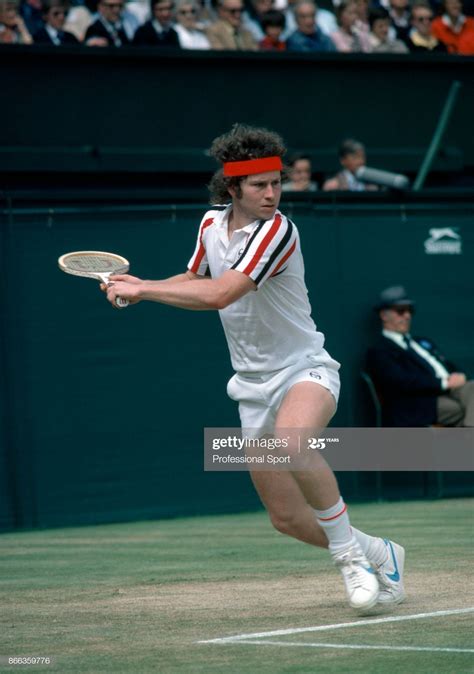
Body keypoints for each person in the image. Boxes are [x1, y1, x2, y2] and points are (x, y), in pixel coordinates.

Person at [103, 124, 406, 613]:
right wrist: (143, 284)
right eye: (260, 185)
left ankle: (351, 560)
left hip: (305, 369)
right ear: (232, 188)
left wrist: (143, 291)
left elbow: (222, 293)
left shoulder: (279, 230)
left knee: (293, 444)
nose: (272, 193)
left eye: (276, 182)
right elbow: (197, 281)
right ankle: (378, 550)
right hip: (251, 385)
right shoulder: (209, 225)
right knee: (285, 518)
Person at [367, 285, 474, 427]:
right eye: (400, 311)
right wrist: (443, 383)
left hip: (452, 389)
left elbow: (446, 363)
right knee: (459, 409)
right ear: (384, 315)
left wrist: (460, 376)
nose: (407, 315)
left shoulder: (421, 342)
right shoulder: (380, 350)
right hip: (423, 401)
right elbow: (400, 381)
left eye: (409, 310)